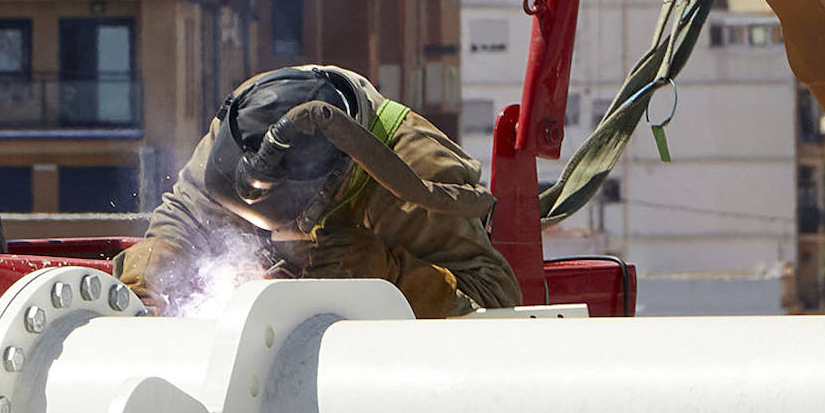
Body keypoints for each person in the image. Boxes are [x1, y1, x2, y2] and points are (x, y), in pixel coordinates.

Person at [115, 65, 522, 318]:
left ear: (328, 188)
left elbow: (498, 302)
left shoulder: (414, 176)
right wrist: (153, 271)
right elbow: (185, 217)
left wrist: (393, 275)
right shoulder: (249, 121)